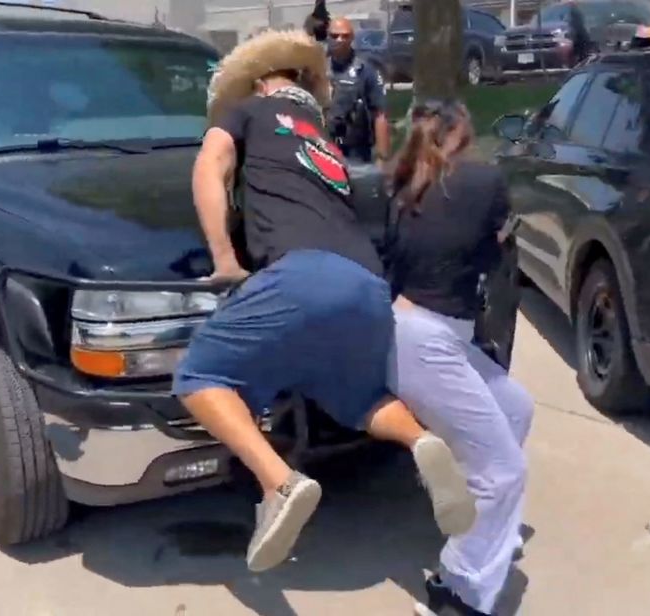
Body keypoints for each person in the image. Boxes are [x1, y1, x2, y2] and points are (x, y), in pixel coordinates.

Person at [178, 30, 476, 573]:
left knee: (199, 377)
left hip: (302, 273)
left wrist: (224, 257)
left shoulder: (247, 112)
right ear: (304, 87)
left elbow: (210, 166)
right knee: (356, 399)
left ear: (259, 82)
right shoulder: (321, 140)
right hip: (366, 284)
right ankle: (421, 441)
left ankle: (278, 483)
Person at [386, 99, 534, 616]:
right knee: (503, 471)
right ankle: (457, 589)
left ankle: (486, 527)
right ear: (461, 133)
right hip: (427, 340)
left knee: (516, 407)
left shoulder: (401, 184)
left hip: (411, 333)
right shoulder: (482, 181)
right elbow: (495, 254)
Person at [325, 18, 391, 165]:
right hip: (323, 148)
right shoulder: (318, 70)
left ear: (352, 37)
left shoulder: (366, 70)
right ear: (328, 37)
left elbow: (380, 114)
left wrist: (382, 158)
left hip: (356, 152)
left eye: (345, 36)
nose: (340, 40)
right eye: (335, 36)